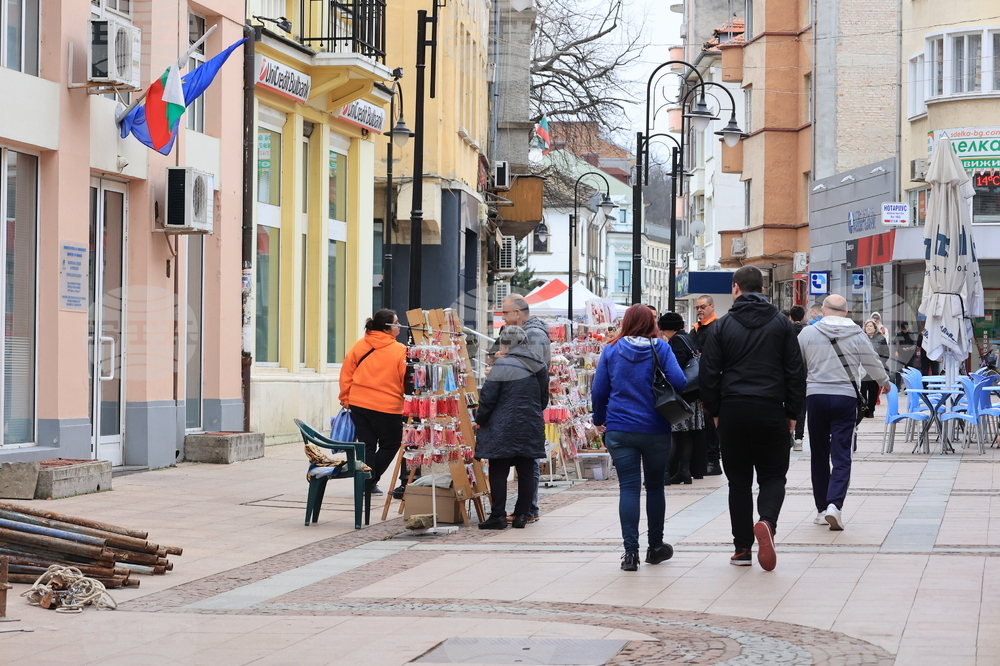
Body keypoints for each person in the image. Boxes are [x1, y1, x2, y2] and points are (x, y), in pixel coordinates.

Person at [700, 266, 806, 571]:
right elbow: (795, 372)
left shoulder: (721, 327)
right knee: (773, 476)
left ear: (735, 289)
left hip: (733, 410)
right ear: (763, 289)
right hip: (771, 408)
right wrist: (792, 414)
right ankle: (767, 522)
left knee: (739, 482)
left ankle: (742, 549)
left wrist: (715, 411)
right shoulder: (782, 325)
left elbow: (709, 374)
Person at [592, 304, 686, 571]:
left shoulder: (611, 349)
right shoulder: (661, 348)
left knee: (629, 488)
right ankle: (655, 547)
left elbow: (599, 391)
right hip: (655, 427)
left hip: (620, 429)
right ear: (650, 323)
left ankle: (630, 553)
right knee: (655, 487)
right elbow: (679, 382)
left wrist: (599, 420)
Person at [798, 296, 890, 531]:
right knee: (842, 454)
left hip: (816, 397)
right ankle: (834, 506)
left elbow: (796, 365)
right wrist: (884, 381)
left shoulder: (808, 333)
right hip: (845, 398)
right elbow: (872, 362)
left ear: (824, 310)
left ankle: (821, 509)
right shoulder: (857, 334)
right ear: (846, 311)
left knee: (818, 453)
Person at [475, 326, 549, 530]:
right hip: (529, 423)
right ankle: (521, 515)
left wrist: (480, 418)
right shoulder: (539, 364)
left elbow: (488, 398)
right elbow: (543, 398)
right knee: (526, 469)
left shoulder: (502, 364)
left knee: (498, 469)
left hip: (503, 425)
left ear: (506, 344)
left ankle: (498, 515)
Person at [494, 295, 551, 522]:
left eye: (506, 313)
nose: (503, 317)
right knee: (528, 460)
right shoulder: (525, 332)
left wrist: (506, 360)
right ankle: (527, 509)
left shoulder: (534, 335)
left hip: (526, 407)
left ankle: (529, 509)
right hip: (527, 406)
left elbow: (533, 370)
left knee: (529, 462)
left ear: (518, 313)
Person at [339, 309, 407, 496]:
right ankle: (369, 481)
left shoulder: (360, 345)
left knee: (367, 444)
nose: (399, 325)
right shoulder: (400, 351)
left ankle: (367, 483)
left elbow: (346, 373)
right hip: (387, 406)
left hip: (359, 403)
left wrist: (345, 397)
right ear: (387, 329)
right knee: (390, 444)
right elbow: (404, 381)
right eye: (396, 322)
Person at [658, 312, 704, 485]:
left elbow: (675, 369)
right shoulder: (687, 339)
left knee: (675, 435)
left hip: (682, 395)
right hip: (693, 395)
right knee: (686, 435)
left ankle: (666, 472)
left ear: (667, 328)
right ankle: (684, 472)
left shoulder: (676, 341)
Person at [691, 295, 722, 476]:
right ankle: (704, 460)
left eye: (703, 307)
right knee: (703, 424)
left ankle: (713, 461)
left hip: (711, 382)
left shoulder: (716, 327)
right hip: (698, 381)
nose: (700, 310)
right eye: (697, 308)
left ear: (712, 307)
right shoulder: (696, 329)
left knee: (710, 424)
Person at [860, 320, 890, 418]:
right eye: (867, 326)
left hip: (875, 368)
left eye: (870, 326)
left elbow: (886, 354)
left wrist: (878, 364)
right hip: (863, 369)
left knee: (873, 390)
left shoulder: (881, 338)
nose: (868, 328)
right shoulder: (861, 338)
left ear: (874, 327)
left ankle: (871, 410)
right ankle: (864, 409)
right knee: (863, 390)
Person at [789, 305, 808, 450]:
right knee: (802, 406)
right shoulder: (809, 331)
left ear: (790, 316)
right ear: (803, 317)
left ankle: (788, 435)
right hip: (805, 373)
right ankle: (799, 439)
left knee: (788, 403)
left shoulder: (785, 330)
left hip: (789, 372)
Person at [893, 321, 917, 385]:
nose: (904, 331)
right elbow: (895, 343)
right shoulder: (899, 334)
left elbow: (915, 344)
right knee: (898, 370)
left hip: (910, 354)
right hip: (901, 353)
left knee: (908, 371)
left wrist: (910, 348)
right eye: (903, 329)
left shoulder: (912, 333)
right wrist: (896, 351)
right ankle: (898, 386)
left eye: (905, 329)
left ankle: (908, 385)